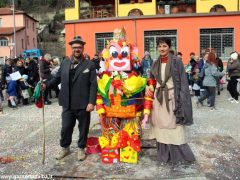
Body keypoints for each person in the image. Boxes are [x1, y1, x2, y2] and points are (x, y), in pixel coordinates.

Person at [142, 37, 195, 164]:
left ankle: (179, 157)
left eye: (164, 46)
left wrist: (182, 101)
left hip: (172, 98)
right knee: (160, 127)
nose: (162, 49)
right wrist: (149, 85)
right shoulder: (155, 62)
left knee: (174, 127)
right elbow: (152, 79)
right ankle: (164, 156)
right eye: (159, 46)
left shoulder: (177, 61)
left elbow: (183, 82)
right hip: (158, 98)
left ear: (169, 47)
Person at [44, 36, 97, 161]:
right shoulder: (65, 62)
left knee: (83, 128)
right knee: (66, 127)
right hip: (67, 102)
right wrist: (46, 85)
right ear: (71, 48)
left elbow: (93, 85)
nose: (77, 49)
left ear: (83, 48)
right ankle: (65, 148)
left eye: (79, 47)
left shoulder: (90, 64)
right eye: (74, 47)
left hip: (83, 103)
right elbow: (57, 78)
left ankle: (81, 148)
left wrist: (91, 102)